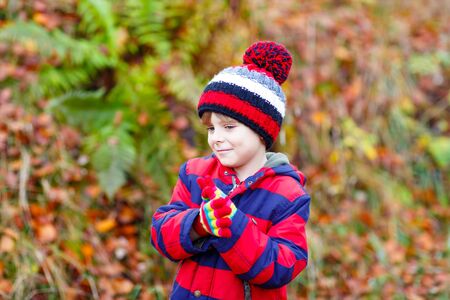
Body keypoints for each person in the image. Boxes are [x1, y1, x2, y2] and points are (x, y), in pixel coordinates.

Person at [151, 41, 310, 300]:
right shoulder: (195, 173)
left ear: (261, 130)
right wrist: (199, 224)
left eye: (228, 127)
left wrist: (233, 226)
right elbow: (160, 233)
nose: (216, 138)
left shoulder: (288, 193)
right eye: (211, 129)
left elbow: (284, 266)